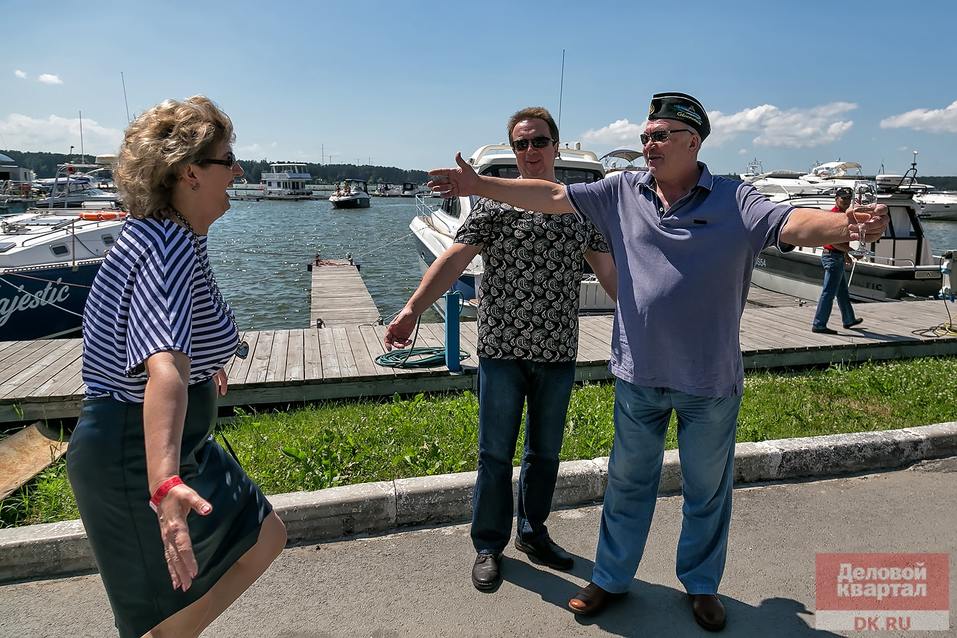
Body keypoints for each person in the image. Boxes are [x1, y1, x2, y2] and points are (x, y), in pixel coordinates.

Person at [428, 92, 888, 631]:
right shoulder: (622, 191)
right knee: (627, 486)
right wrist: (479, 185)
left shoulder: (736, 200)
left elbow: (792, 224)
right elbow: (552, 194)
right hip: (638, 376)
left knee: (705, 491)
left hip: (708, 381)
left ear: (693, 142)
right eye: (645, 136)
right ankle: (610, 578)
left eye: (659, 135)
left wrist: (846, 226)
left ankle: (701, 585)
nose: (648, 144)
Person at [67, 96, 286, 638]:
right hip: (133, 454)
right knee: (160, 621)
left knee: (266, 535)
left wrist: (207, 364)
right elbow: (163, 365)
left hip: (176, 444)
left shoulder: (174, 235)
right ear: (190, 172)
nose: (238, 172)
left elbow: (174, 338)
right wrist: (164, 486)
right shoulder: (167, 245)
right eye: (227, 160)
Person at [384, 107, 617, 592]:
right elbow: (452, 260)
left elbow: (610, 275)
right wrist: (410, 309)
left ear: (556, 146)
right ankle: (489, 545)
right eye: (520, 144)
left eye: (538, 142)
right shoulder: (493, 204)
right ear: (513, 151)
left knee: (545, 453)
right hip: (501, 350)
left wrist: (650, 315)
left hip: (556, 352)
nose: (530, 152)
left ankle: (533, 533)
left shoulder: (580, 208)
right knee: (494, 454)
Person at [811, 186, 863, 334]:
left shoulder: (843, 215)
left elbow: (840, 241)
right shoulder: (834, 216)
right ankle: (819, 324)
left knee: (842, 291)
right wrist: (853, 252)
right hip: (832, 257)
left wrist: (845, 254)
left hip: (837, 256)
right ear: (836, 199)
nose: (846, 201)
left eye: (848, 198)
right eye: (843, 198)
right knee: (828, 292)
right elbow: (832, 242)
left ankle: (848, 319)